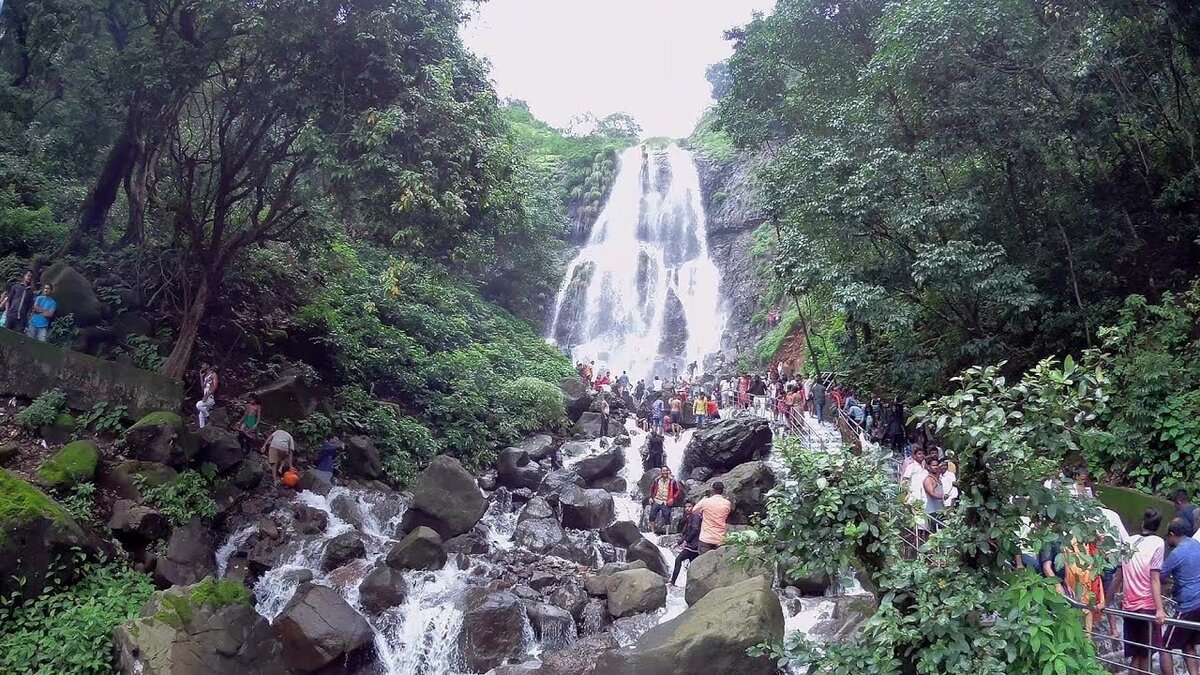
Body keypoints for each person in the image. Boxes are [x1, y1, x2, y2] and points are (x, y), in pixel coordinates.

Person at [1111, 507, 1167, 675]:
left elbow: (1118, 576)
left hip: (1128, 607)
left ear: (1143, 522)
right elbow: (1154, 578)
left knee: (1137, 654)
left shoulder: (1128, 541)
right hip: (1147, 607)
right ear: (1159, 527)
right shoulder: (1158, 543)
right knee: (1147, 654)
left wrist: (1106, 600)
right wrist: (1160, 609)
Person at [1161, 517, 1200, 675]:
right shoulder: (1196, 545)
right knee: (1188, 644)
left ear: (1172, 534)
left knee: (1163, 646)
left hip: (1188, 607)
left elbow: (1160, 576)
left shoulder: (1177, 554)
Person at [692, 481, 733, 553]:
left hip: (706, 538)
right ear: (723, 491)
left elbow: (694, 511)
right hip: (720, 538)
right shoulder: (727, 503)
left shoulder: (705, 501)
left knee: (704, 561)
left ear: (712, 490)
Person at [670, 500, 702, 586]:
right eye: (686, 507)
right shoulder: (689, 517)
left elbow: (695, 530)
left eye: (689, 506)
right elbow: (686, 533)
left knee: (679, 559)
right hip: (692, 546)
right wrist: (678, 543)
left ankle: (672, 582)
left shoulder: (695, 517)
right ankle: (693, 584)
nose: (687, 509)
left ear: (693, 507)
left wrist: (686, 541)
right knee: (693, 566)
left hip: (694, 546)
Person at [647, 467, 682, 534]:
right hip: (657, 500)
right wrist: (651, 497)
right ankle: (652, 531)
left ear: (668, 471)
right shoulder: (657, 480)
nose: (665, 472)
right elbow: (652, 489)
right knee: (652, 515)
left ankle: (667, 533)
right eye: (663, 471)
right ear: (661, 472)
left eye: (666, 471)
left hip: (666, 501)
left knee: (667, 517)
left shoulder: (672, 481)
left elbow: (678, 490)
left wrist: (673, 498)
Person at [922, 456, 945, 533]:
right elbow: (931, 493)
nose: (935, 467)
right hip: (932, 511)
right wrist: (943, 497)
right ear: (928, 467)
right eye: (933, 465)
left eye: (937, 465)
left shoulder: (939, 479)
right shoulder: (928, 479)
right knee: (934, 534)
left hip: (941, 510)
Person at [196, 363, 218, 429]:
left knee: (198, 405)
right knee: (200, 415)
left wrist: (207, 396)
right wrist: (201, 376)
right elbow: (203, 387)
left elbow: (215, 387)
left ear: (208, 365)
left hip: (210, 398)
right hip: (205, 396)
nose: (202, 366)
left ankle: (209, 417)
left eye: (204, 364)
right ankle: (202, 429)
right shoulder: (206, 375)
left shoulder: (213, 374)